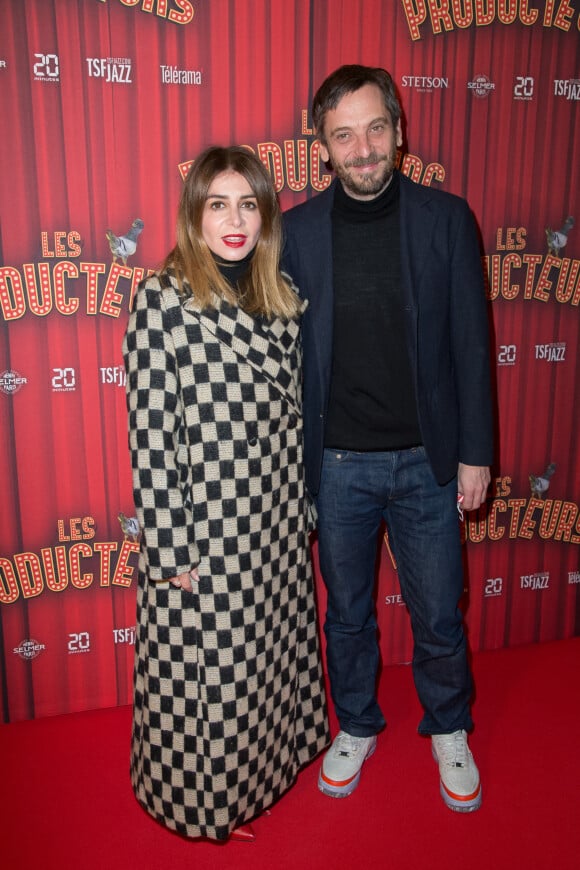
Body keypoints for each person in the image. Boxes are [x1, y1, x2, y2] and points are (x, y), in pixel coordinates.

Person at [282, 65, 493, 813]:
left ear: (400, 131)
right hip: (336, 465)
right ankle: (358, 724)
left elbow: (472, 342)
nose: (363, 147)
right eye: (344, 134)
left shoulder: (445, 218)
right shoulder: (297, 231)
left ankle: (448, 722)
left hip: (429, 462)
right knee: (345, 613)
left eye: (375, 128)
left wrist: (475, 453)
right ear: (325, 147)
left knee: (438, 608)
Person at [123, 145, 330, 843]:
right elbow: (151, 435)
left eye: (249, 204)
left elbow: (296, 418)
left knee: (268, 655)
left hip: (271, 515)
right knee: (211, 672)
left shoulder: (283, 298)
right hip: (206, 523)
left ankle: (271, 768)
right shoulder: (162, 300)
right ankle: (203, 801)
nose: (235, 220)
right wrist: (169, 546)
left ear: (266, 215)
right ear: (195, 216)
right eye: (219, 204)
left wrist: (302, 506)